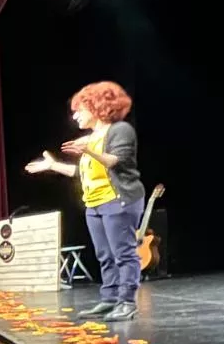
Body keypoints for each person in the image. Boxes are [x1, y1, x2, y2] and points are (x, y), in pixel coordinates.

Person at [26, 80, 146, 322]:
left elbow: (115, 161)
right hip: (95, 204)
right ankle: (110, 299)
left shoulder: (119, 130)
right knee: (105, 255)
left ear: (96, 106)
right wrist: (53, 166)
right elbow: (80, 173)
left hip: (119, 200)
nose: (75, 116)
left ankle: (126, 302)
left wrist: (89, 150)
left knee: (124, 253)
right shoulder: (90, 137)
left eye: (79, 110)